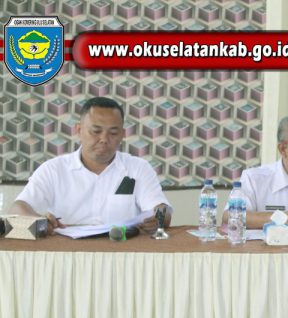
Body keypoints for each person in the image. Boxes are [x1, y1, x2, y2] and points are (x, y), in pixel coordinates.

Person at [10, 97, 172, 235]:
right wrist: (38, 221)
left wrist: (161, 217)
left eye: (113, 133)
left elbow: (162, 208)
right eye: (96, 131)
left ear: (122, 135)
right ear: (79, 130)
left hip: (122, 249)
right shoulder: (53, 169)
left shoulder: (138, 168)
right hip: (66, 252)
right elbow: (18, 207)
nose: (104, 139)